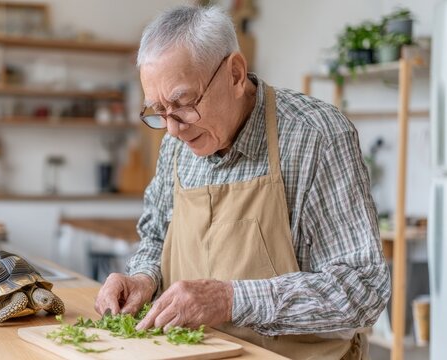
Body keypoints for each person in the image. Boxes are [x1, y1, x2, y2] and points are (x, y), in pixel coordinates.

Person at [94, 5, 390, 359]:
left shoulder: (317, 137)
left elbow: (363, 290)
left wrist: (231, 300)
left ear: (235, 73)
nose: (172, 129)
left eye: (183, 103)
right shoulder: (176, 143)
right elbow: (157, 236)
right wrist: (143, 278)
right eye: (158, 111)